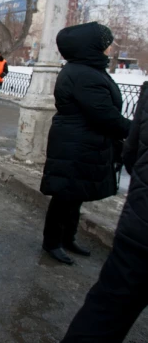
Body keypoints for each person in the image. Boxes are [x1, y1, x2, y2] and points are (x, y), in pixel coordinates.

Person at [61, 81, 148, 342]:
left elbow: (132, 152)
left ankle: (63, 238)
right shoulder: (87, 78)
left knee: (105, 313)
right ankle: (58, 239)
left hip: (141, 226)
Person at [40, 22, 131, 266]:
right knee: (65, 197)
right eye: (104, 45)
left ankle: (67, 238)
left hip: (82, 142)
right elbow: (104, 114)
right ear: (90, 47)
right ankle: (52, 242)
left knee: (74, 195)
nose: (108, 49)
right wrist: (136, 130)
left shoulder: (86, 69)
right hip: (76, 143)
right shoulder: (84, 74)